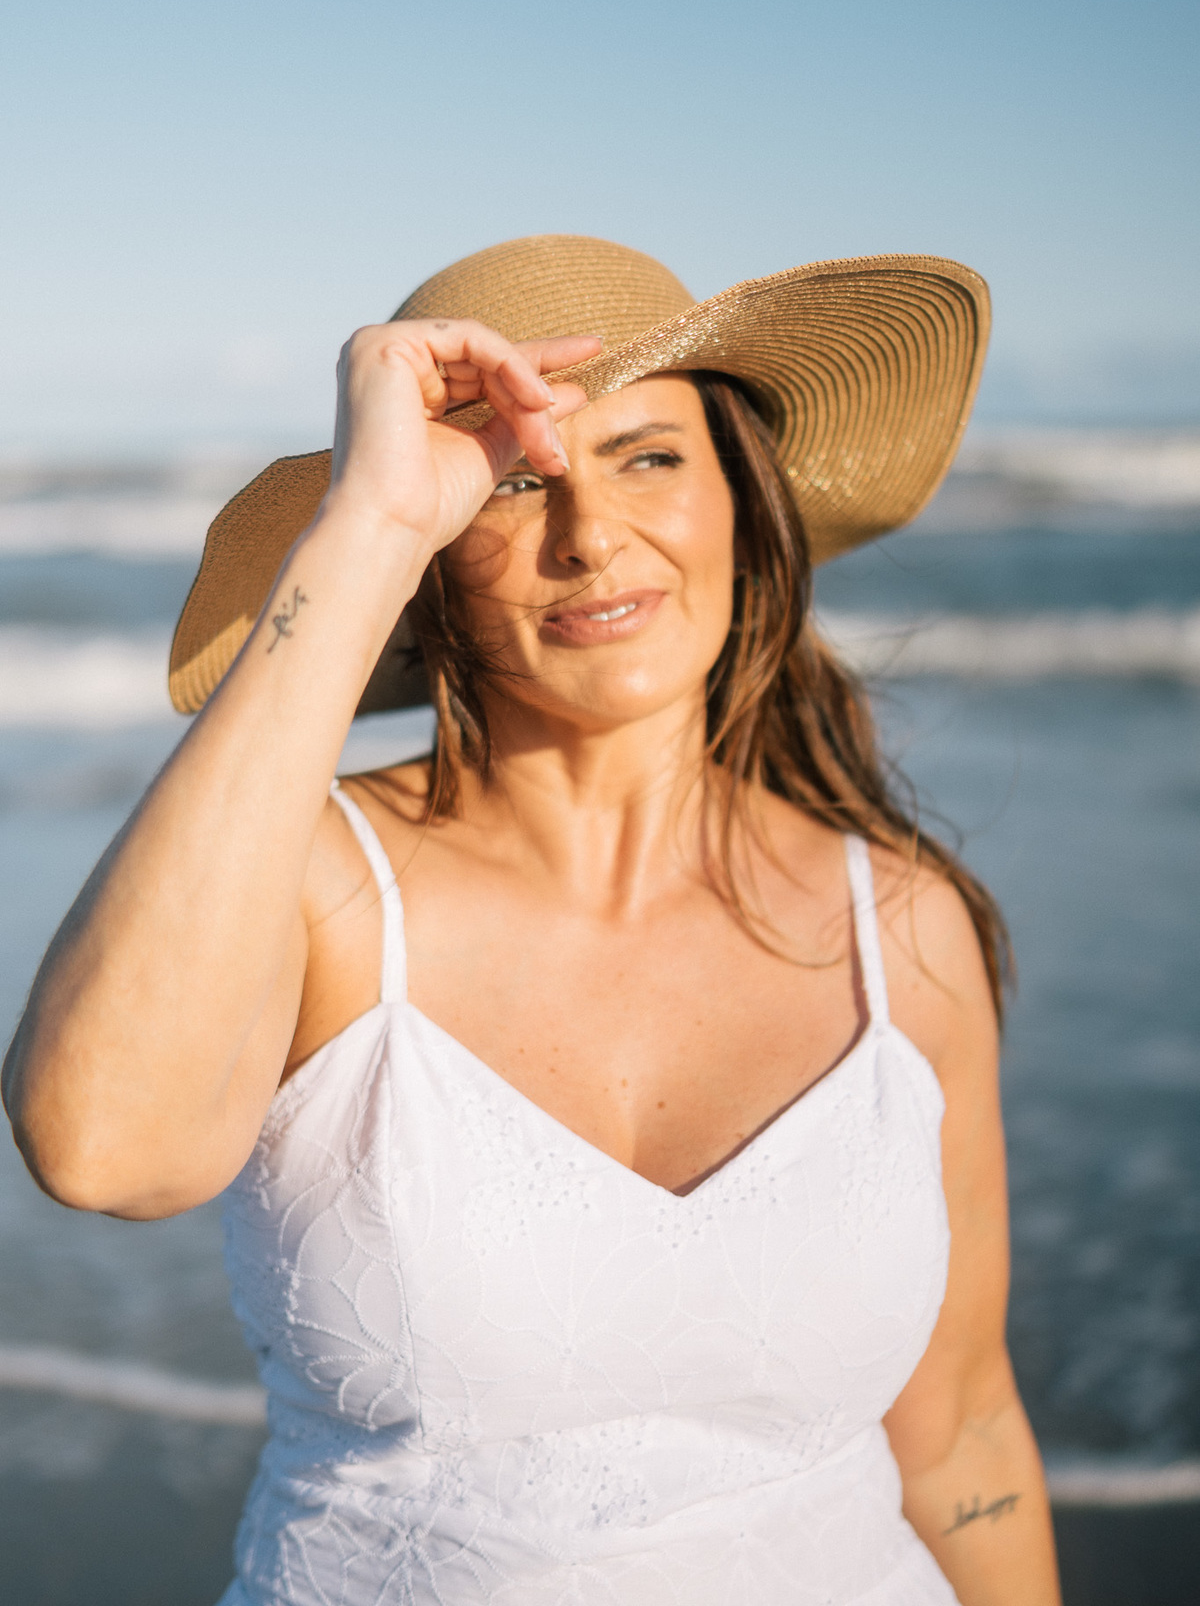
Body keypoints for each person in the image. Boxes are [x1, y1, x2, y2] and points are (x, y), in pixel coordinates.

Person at [3, 236, 1061, 1604]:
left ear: (743, 497)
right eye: (513, 478)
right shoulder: (323, 888)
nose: (589, 535)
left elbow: (964, 1422)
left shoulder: (901, 924)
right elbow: (102, 1150)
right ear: (437, 556)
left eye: (649, 457)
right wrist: (366, 529)